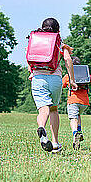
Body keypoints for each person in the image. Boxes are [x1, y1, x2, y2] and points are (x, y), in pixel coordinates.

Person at [29, 17, 77, 153]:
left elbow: (29, 58)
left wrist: (31, 72)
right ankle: (55, 143)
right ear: (58, 30)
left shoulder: (35, 41)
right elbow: (67, 59)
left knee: (43, 109)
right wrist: (72, 79)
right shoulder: (60, 43)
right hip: (55, 79)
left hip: (38, 78)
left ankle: (42, 128)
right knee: (54, 109)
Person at [62, 56, 91, 149]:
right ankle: (80, 131)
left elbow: (61, 85)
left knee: (73, 118)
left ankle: (75, 134)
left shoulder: (68, 76)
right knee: (78, 116)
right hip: (84, 102)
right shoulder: (84, 74)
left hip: (73, 100)